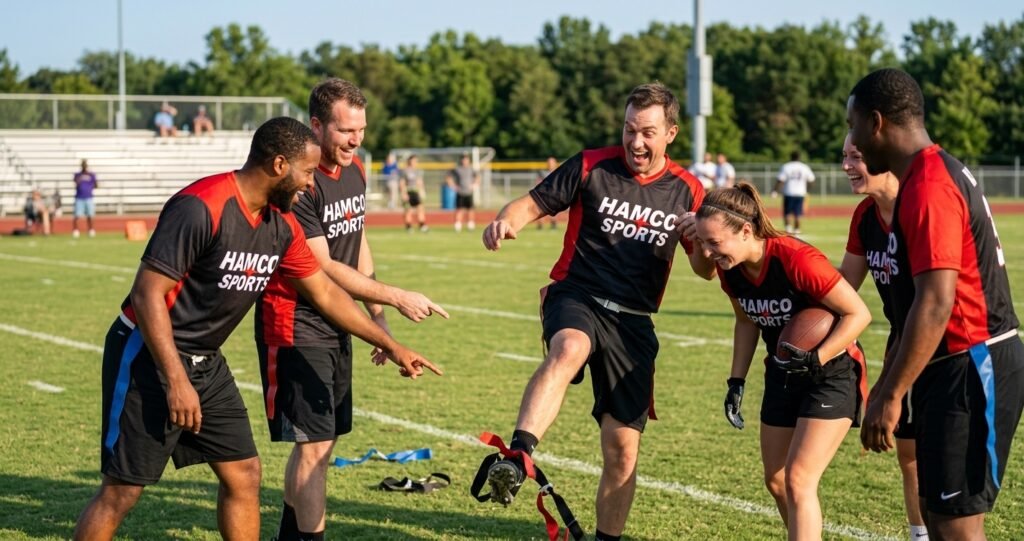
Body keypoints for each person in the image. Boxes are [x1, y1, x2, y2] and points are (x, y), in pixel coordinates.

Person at [72, 117, 440, 541]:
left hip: (206, 361)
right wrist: (176, 380)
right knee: (122, 491)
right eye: (307, 173)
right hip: (149, 354)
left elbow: (325, 292)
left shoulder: (281, 224)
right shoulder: (201, 206)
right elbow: (146, 293)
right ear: (279, 165)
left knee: (244, 473)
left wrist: (390, 344)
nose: (311, 184)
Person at [480, 82, 714, 541]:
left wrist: (700, 240)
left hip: (633, 322)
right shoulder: (591, 165)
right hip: (577, 295)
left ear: (670, 133)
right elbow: (531, 203)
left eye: (647, 132)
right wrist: (507, 220)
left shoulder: (688, 189)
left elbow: (705, 271)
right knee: (569, 348)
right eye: (629, 129)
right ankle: (519, 455)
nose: (635, 142)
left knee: (622, 452)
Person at [256, 79, 448, 541]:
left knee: (320, 443)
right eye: (345, 130)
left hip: (338, 319)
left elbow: (357, 243)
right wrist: (396, 297)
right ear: (316, 125)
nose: (355, 140)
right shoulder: (299, 184)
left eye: (360, 130)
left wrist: (377, 317)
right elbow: (323, 266)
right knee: (315, 445)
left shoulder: (356, 169)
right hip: (296, 321)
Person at [850, 68, 1024, 540]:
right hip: (950, 365)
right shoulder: (924, 177)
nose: (853, 140)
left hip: (972, 363)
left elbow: (936, 300)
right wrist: (889, 384)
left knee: (956, 526)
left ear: (876, 122)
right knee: (934, 511)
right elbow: (911, 306)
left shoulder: (929, 184)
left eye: (853, 125)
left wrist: (891, 395)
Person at [694, 182, 871, 539]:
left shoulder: (796, 259)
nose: (708, 253)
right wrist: (736, 381)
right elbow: (746, 321)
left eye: (714, 242)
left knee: (799, 479)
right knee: (776, 480)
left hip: (831, 372)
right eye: (702, 243)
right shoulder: (731, 266)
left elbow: (859, 314)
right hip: (783, 372)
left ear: (746, 231)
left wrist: (817, 357)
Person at [836, 134, 927, 541]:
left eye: (855, 157)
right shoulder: (865, 216)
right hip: (901, 339)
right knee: (908, 455)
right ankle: (920, 534)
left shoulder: (920, 205)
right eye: (844, 156)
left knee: (944, 456)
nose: (846, 166)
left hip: (945, 347)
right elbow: (843, 286)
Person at [773, 151, 815, 234]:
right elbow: (811, 180)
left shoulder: (786, 166)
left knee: (787, 212)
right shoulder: (804, 167)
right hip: (800, 193)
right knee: (798, 213)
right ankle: (797, 230)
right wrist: (807, 190)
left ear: (791, 157)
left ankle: (788, 229)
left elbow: (780, 180)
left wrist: (775, 191)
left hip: (789, 192)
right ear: (799, 157)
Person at [446, 154, 479, 232]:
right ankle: (458, 225)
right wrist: (453, 186)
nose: (465, 161)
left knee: (470, 209)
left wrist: (475, 185)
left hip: (469, 192)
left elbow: (477, 177)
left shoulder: (471, 169)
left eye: (466, 160)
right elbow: (448, 177)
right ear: (461, 160)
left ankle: (470, 224)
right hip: (460, 192)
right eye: (463, 160)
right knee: (459, 209)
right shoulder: (457, 169)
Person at [400, 154, 428, 232]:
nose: (415, 162)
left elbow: (420, 181)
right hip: (408, 191)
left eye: (416, 161)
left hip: (416, 192)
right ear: (409, 161)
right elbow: (402, 183)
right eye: (414, 161)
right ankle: (409, 226)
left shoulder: (417, 171)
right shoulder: (405, 171)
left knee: (420, 208)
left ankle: (422, 225)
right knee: (408, 210)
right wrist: (403, 193)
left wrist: (422, 190)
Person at [72, 159, 98, 238]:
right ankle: (76, 230)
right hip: (79, 197)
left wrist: (90, 187)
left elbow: (96, 184)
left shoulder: (91, 175)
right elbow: (75, 183)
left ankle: (91, 230)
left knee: (90, 215)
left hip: (89, 197)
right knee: (77, 215)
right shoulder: (77, 175)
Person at [534, 156, 559, 229]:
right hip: (544, 194)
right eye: (548, 162)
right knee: (541, 209)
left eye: (551, 162)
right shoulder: (543, 173)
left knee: (555, 210)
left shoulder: (559, 172)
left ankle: (554, 224)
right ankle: (540, 225)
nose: (549, 164)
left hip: (554, 194)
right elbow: (538, 182)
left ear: (555, 163)